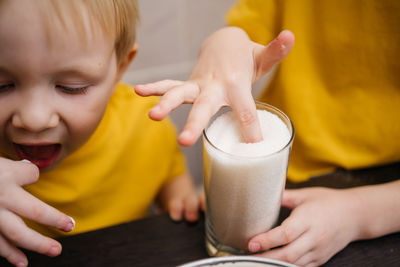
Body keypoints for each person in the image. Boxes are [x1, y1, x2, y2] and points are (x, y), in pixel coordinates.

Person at [135, 0, 400, 266]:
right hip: (274, 186)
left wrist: (358, 214)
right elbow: (244, 36)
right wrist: (224, 42)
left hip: (382, 202)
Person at [0, 1, 203, 266]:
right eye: (2, 86)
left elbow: (173, 186)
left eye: (71, 87)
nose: (34, 119)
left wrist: (186, 201)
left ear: (120, 67)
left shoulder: (145, 124)